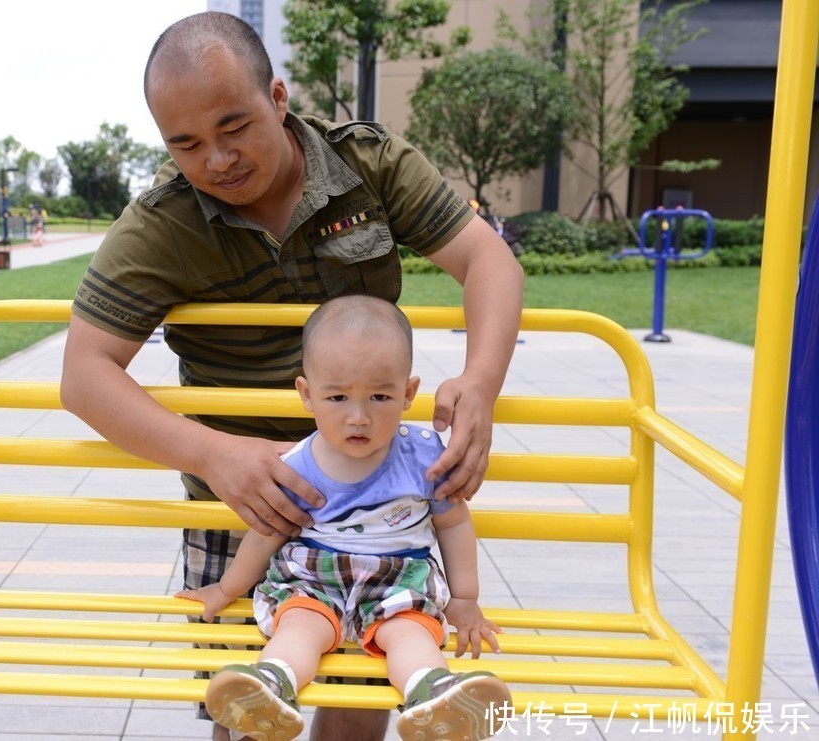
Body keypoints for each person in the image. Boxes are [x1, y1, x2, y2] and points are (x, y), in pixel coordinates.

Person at [60, 12, 523, 740]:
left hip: (374, 488)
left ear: (278, 96)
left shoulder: (367, 166)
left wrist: (482, 379)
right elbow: (83, 375)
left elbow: (487, 259)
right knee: (248, 711)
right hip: (244, 502)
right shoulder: (162, 223)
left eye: (233, 125)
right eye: (185, 143)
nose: (216, 159)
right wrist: (215, 455)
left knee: (360, 704)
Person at [176, 295, 510, 741]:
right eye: (337, 397)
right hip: (314, 579)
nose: (359, 416)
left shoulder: (424, 457)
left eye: (380, 396)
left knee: (410, 634)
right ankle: (272, 684)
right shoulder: (297, 464)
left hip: (398, 582)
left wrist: (464, 601)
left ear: (407, 394)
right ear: (307, 395)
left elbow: (453, 523)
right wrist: (227, 587)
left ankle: (434, 695)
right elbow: (266, 532)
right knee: (300, 626)